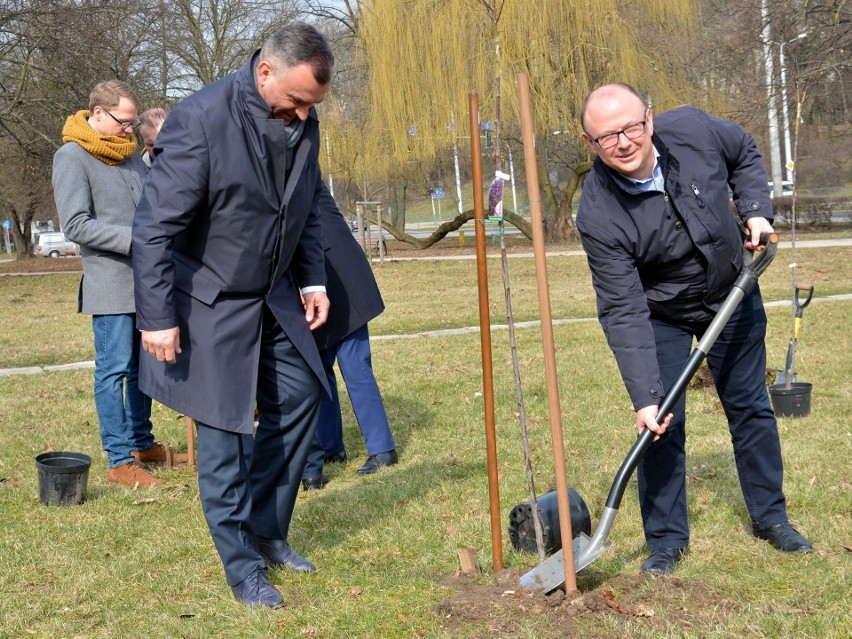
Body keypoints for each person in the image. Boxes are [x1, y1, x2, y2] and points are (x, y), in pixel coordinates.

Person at [131, 22, 334, 609]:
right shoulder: (200, 119)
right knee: (225, 441)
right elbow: (153, 228)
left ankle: (267, 530)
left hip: (273, 295)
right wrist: (157, 316)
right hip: (208, 303)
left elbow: (306, 201)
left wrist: (313, 276)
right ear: (265, 71)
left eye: (311, 106)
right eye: (296, 101)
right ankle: (241, 567)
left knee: (301, 397)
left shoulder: (301, 117)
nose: (301, 116)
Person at [576, 83, 812, 575]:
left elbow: (745, 152)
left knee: (749, 407)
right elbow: (621, 307)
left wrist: (756, 211)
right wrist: (645, 397)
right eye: (607, 136)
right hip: (660, 310)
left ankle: (772, 518)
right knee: (662, 425)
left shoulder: (694, 130)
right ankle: (665, 541)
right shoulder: (598, 211)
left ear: (651, 119)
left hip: (732, 290)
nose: (623, 141)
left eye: (631, 127)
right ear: (590, 144)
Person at [52, 80, 174, 488]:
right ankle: (120, 461)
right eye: (125, 122)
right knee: (114, 370)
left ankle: (142, 443)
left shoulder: (130, 157)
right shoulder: (71, 156)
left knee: (145, 370)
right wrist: (136, 240)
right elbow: (75, 225)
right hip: (110, 285)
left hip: (147, 282)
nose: (130, 129)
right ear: (98, 113)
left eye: (133, 122)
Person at [301, 187, 397, 491]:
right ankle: (331, 448)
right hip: (314, 282)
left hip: (340, 279)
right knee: (320, 366)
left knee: (354, 364)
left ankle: (383, 450)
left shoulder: (295, 164)